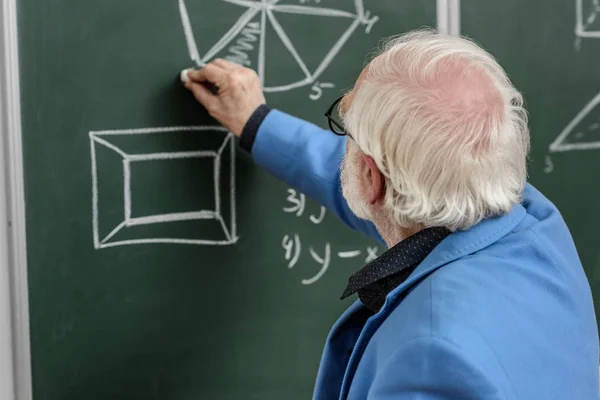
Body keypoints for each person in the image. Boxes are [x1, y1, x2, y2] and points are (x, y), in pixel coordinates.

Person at [183, 29, 599, 399]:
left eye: (345, 130)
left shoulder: (432, 358)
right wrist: (257, 123)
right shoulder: (534, 223)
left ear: (370, 176)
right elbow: (383, 183)